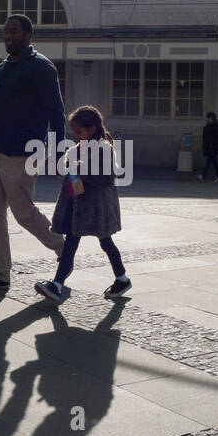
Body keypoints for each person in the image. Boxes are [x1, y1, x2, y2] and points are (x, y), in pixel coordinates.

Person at [0, 14, 68, 293]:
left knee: (23, 212)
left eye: (14, 32)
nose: (8, 36)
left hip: (23, 153)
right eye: (5, 32)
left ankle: (64, 248)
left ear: (28, 35)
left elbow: (56, 112)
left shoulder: (42, 68)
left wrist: (58, 151)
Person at [34, 105, 130, 303]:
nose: (76, 135)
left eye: (79, 131)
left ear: (92, 129)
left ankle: (121, 278)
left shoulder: (104, 149)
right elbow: (67, 170)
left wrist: (76, 169)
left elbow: (105, 176)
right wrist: (57, 166)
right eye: (75, 132)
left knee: (106, 242)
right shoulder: (76, 150)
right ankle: (58, 284)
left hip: (96, 207)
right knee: (72, 242)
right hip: (76, 205)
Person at [198, 112, 218, 182]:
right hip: (208, 147)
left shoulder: (217, 127)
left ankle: (203, 176)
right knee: (214, 163)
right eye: (208, 118)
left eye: (209, 118)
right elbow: (204, 139)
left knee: (209, 162)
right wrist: (204, 147)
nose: (208, 119)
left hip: (214, 147)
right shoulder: (206, 128)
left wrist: (215, 144)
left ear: (213, 119)